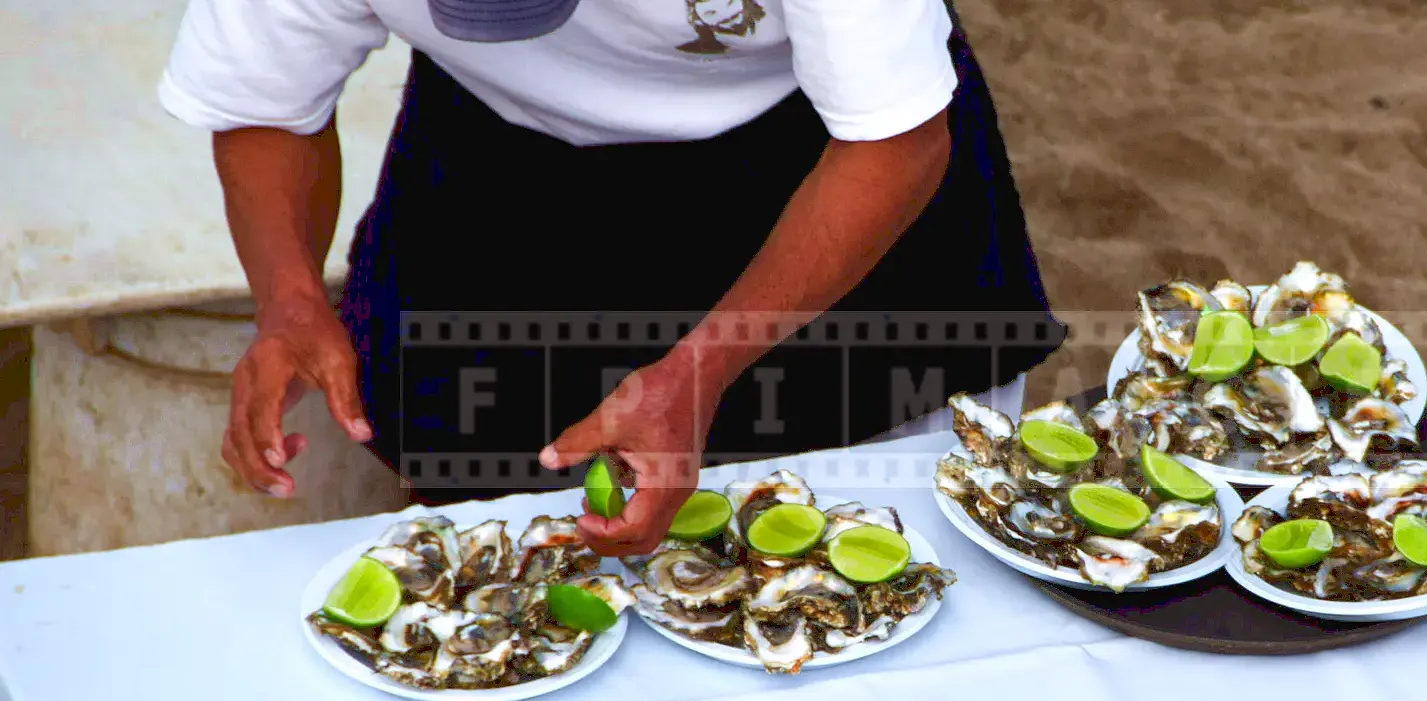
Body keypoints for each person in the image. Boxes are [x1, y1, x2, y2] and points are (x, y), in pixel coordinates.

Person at [159, 0, 1064, 557]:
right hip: (496, 163)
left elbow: (893, 143)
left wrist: (698, 370)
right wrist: (287, 300)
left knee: (864, 544)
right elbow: (264, 101)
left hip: (814, 162)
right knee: (498, 555)